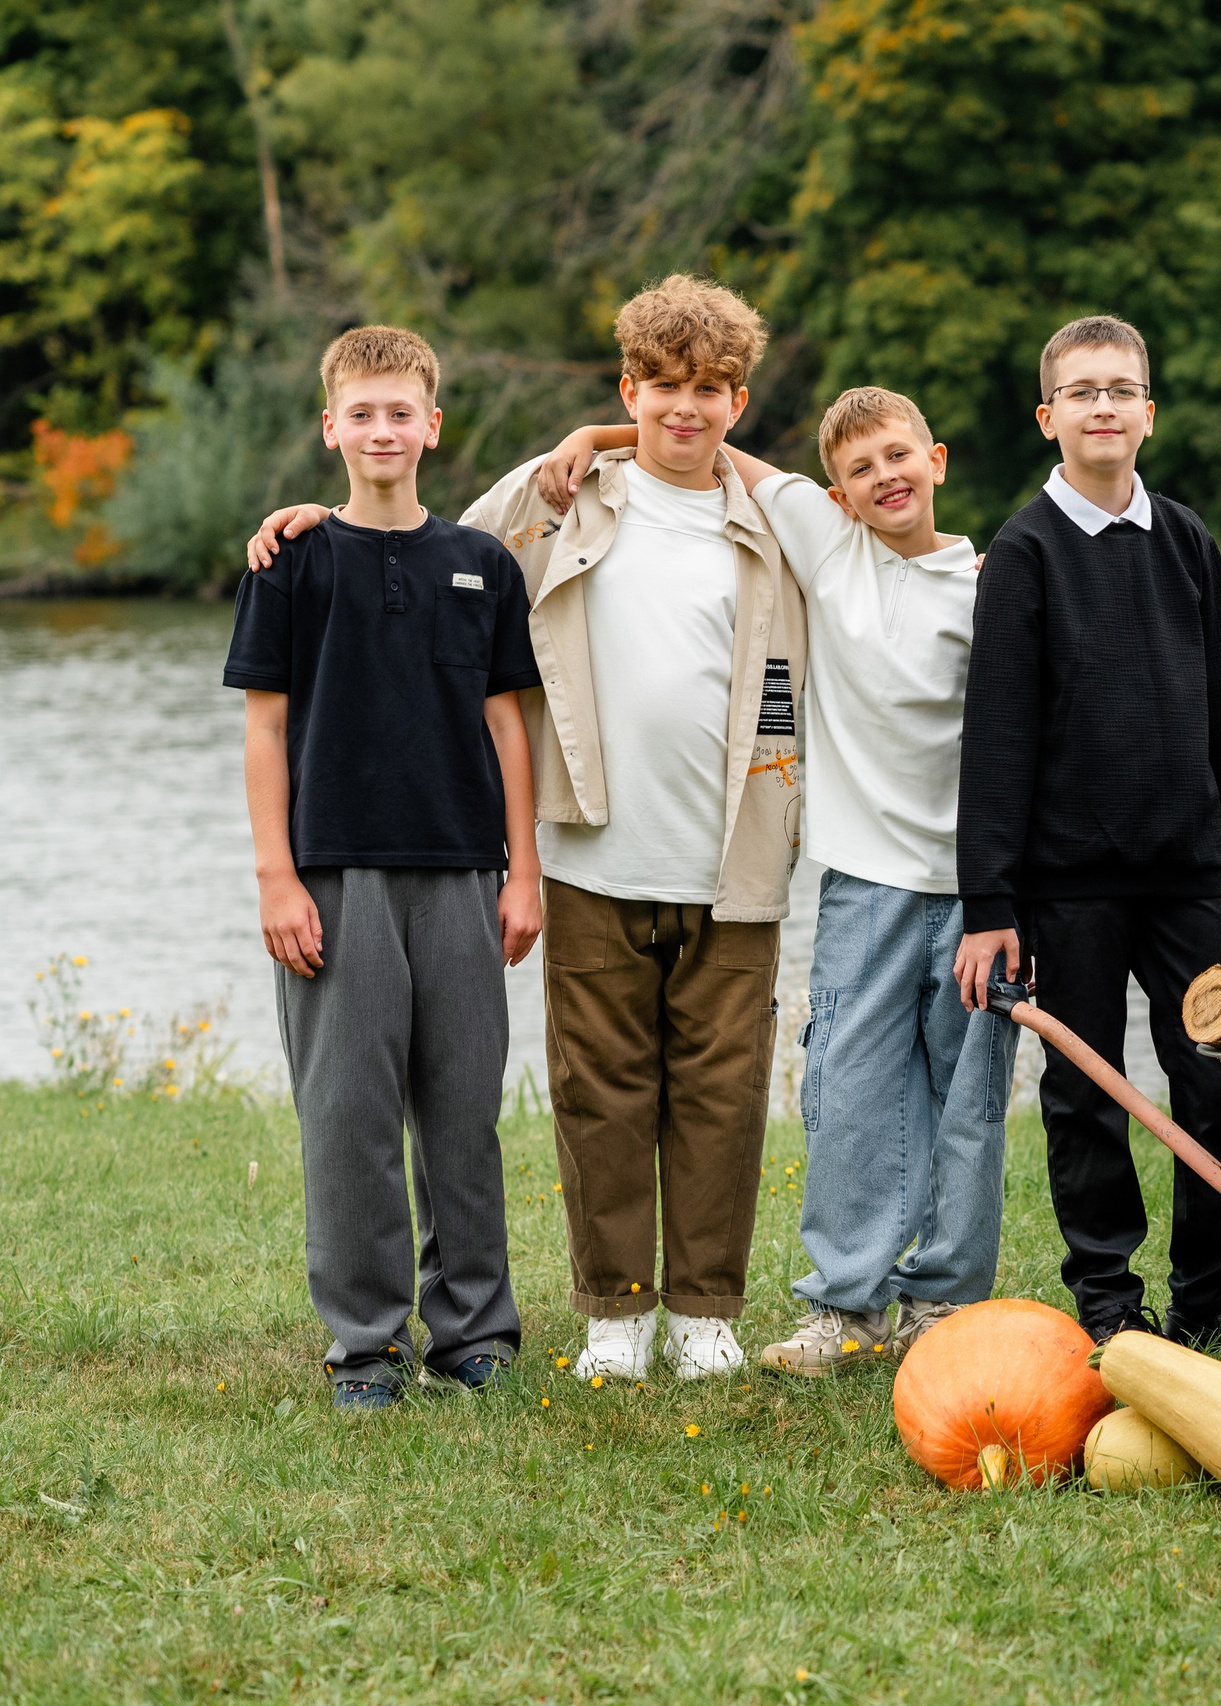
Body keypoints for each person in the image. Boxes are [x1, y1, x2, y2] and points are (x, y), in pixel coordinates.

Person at [248, 276, 808, 1385]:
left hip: (720, 857)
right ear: (627, 387)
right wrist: (299, 517)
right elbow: (403, 535)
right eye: (657, 388)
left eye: (706, 390)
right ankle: (584, 1315)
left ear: (738, 399)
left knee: (713, 1092)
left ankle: (682, 1313)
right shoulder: (549, 503)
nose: (681, 408)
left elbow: (834, 498)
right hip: (582, 851)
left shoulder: (769, 517)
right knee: (578, 1090)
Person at [527, 385, 1017, 1374]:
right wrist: (595, 433)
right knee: (843, 1096)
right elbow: (703, 432)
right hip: (862, 880)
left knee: (968, 1104)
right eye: (859, 468)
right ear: (832, 493)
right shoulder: (828, 551)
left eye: (898, 456)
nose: (884, 477)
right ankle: (848, 1302)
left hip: (978, 889)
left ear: (939, 460)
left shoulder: (997, 587)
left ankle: (947, 1299)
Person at [952, 314, 1221, 1350]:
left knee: (1209, 1081)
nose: (1105, 405)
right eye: (1084, 390)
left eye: (1122, 388)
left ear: (1148, 411)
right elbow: (998, 737)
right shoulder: (1024, 552)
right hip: (1071, 883)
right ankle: (1107, 1294)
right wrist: (990, 902)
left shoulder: (1185, 539)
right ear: (1050, 416)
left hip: (1186, 872)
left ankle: (1209, 1295)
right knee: (1087, 1090)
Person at [223, 325, 542, 1410]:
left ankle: (474, 1330)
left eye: (400, 411)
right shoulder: (292, 561)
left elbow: (509, 729)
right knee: (347, 1115)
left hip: (461, 873)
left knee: (463, 1110)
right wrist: (277, 875)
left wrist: (525, 869)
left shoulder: (483, 565)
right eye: (361, 412)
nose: (382, 429)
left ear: (432, 426)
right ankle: (364, 1343)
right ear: (331, 428)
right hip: (334, 877)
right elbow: (265, 731)